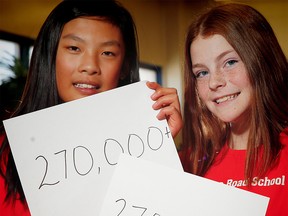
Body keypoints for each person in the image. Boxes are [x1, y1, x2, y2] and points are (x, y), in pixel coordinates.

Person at [0, 0, 182, 215]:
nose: (90, 67)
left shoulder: (140, 149)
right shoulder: (7, 151)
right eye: (74, 48)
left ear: (124, 67)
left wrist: (159, 148)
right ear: (50, 56)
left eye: (107, 53)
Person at [180, 3, 288, 215]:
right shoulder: (190, 163)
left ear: (262, 60)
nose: (214, 82)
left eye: (229, 62)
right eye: (202, 73)